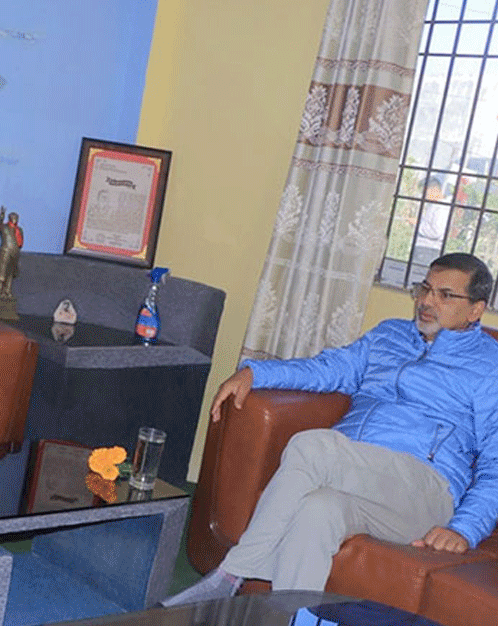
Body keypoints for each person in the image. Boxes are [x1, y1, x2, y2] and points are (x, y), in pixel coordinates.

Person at [162, 252, 498, 605]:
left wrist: (464, 529)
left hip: (424, 488)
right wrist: (256, 373)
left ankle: (231, 574)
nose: (427, 301)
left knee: (313, 448)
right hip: (357, 470)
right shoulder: (389, 335)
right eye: (425, 289)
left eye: (445, 295)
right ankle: (289, 615)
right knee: (318, 511)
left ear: (476, 310)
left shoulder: (489, 367)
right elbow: (329, 369)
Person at [0, 206, 23, 298]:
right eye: (13, 217)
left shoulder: (19, 230)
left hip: (14, 254)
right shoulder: (4, 227)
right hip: (5, 252)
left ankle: (7, 291)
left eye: (16, 218)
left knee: (10, 274)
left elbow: (20, 242)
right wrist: (1, 215)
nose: (15, 219)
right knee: (1, 272)